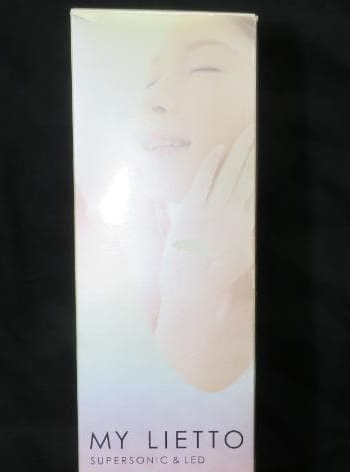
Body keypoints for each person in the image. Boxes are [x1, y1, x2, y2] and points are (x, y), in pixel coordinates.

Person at [121, 15, 256, 393]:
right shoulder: (116, 287)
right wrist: (187, 296)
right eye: (150, 82)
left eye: (202, 68)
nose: (153, 100)